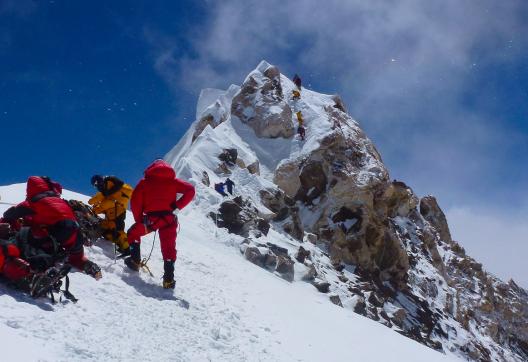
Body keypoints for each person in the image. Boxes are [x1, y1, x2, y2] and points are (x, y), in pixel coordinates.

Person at [0, 176, 101, 281]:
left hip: (53, 237)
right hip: (75, 237)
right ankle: (84, 263)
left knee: (23, 237)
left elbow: (9, 215)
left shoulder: (33, 202)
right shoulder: (62, 202)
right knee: (50, 240)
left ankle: (28, 272)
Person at [124, 160, 195, 289]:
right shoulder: (173, 182)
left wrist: (140, 220)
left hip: (151, 220)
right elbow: (190, 190)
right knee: (168, 247)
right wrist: (177, 206)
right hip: (169, 219)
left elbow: (135, 202)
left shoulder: (144, 183)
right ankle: (168, 280)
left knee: (133, 233)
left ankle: (135, 261)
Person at [88, 175, 133, 255]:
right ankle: (122, 246)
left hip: (118, 212)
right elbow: (100, 198)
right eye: (95, 185)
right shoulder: (107, 192)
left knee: (119, 231)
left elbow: (106, 204)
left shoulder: (111, 191)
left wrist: (96, 210)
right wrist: (92, 203)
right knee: (110, 232)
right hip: (112, 215)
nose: (96, 186)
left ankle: (127, 249)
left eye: (96, 184)